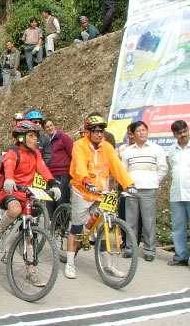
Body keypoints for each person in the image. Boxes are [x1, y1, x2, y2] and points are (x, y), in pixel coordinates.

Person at [0, 121, 61, 286]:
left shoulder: (35, 154)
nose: (36, 139)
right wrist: (9, 179)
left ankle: (31, 271)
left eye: (36, 136)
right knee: (14, 210)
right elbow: (9, 167)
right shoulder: (13, 153)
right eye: (32, 136)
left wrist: (54, 184)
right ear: (21, 138)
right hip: (10, 191)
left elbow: (43, 170)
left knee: (29, 235)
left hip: (26, 193)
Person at [65, 115, 135, 279]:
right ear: (88, 132)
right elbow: (79, 165)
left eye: (101, 131)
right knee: (76, 228)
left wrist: (128, 184)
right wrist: (85, 180)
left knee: (103, 228)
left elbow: (117, 167)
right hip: (82, 190)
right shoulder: (79, 146)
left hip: (100, 192)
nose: (99, 134)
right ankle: (70, 263)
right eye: (96, 131)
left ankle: (107, 264)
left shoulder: (107, 147)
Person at [121, 121, 168, 262]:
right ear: (133, 135)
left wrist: (154, 180)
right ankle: (130, 248)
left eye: (144, 130)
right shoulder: (128, 151)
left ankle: (149, 250)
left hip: (148, 190)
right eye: (139, 131)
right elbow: (124, 170)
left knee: (149, 222)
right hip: (132, 191)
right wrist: (129, 185)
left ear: (147, 132)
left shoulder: (156, 149)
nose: (142, 133)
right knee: (130, 222)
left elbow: (163, 168)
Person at [167, 120, 190, 267]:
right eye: (179, 133)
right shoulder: (172, 150)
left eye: (185, 131)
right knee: (178, 227)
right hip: (177, 194)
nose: (183, 135)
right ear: (174, 134)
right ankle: (181, 256)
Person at [42, 118, 73, 216]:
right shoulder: (45, 141)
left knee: (61, 200)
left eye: (51, 125)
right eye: (47, 127)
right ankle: (53, 224)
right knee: (50, 201)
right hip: (49, 175)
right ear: (44, 129)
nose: (50, 128)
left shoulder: (63, 138)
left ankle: (61, 227)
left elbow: (72, 154)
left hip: (62, 173)